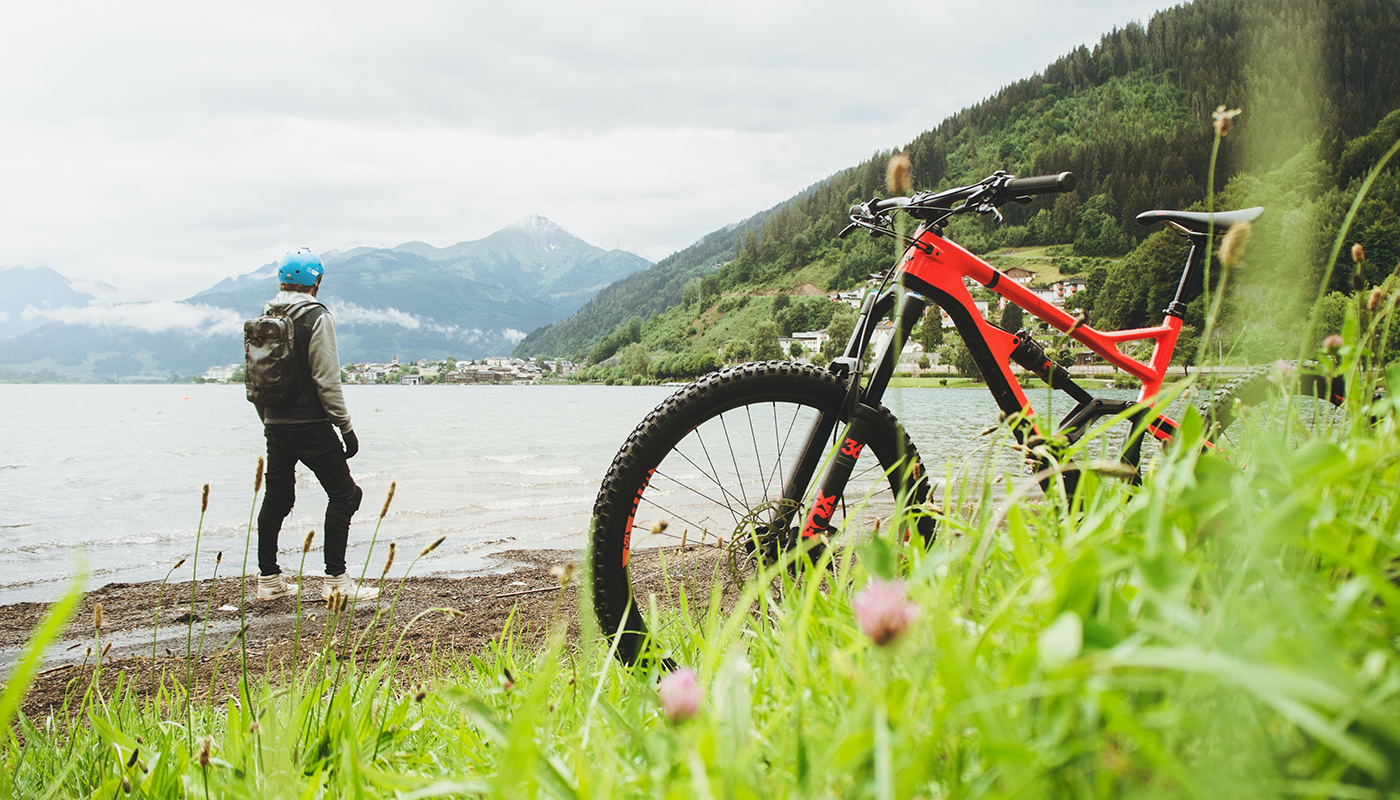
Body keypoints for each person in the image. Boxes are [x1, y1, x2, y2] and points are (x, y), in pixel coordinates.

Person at [253, 248, 378, 602]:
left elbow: (257, 377)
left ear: (281, 279)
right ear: (316, 281)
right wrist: (346, 427)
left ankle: (269, 581)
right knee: (346, 495)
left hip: (274, 421)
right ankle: (336, 581)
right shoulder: (315, 316)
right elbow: (326, 379)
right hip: (310, 423)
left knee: (277, 498)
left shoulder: (265, 316)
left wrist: (267, 421)